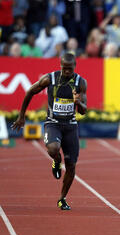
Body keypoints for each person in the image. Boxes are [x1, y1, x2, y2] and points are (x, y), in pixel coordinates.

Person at [11, 53, 87, 210]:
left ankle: (62, 198)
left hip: (71, 126)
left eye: (70, 69)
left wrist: (78, 102)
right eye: (64, 68)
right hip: (53, 123)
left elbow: (83, 111)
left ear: (75, 67)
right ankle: (57, 161)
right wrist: (21, 116)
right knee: (52, 149)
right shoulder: (50, 79)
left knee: (72, 165)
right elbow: (30, 92)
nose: (67, 72)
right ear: (60, 66)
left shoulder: (80, 82)